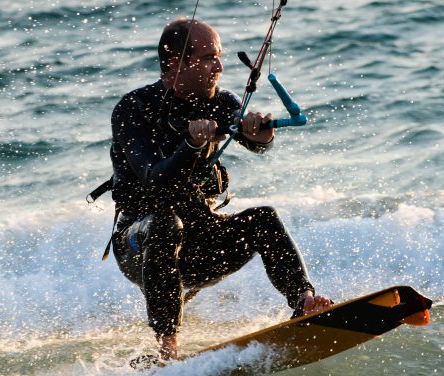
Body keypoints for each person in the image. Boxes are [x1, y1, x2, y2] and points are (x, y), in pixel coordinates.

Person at [106, 18, 332, 360]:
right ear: (175, 62)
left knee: (263, 219)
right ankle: (166, 352)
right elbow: (156, 178)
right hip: (140, 244)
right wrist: (191, 142)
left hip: (200, 242)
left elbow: (254, 140)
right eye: (210, 57)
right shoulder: (133, 109)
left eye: (220, 55)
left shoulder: (221, 102)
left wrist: (261, 133)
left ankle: (304, 302)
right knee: (166, 222)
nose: (220, 66)